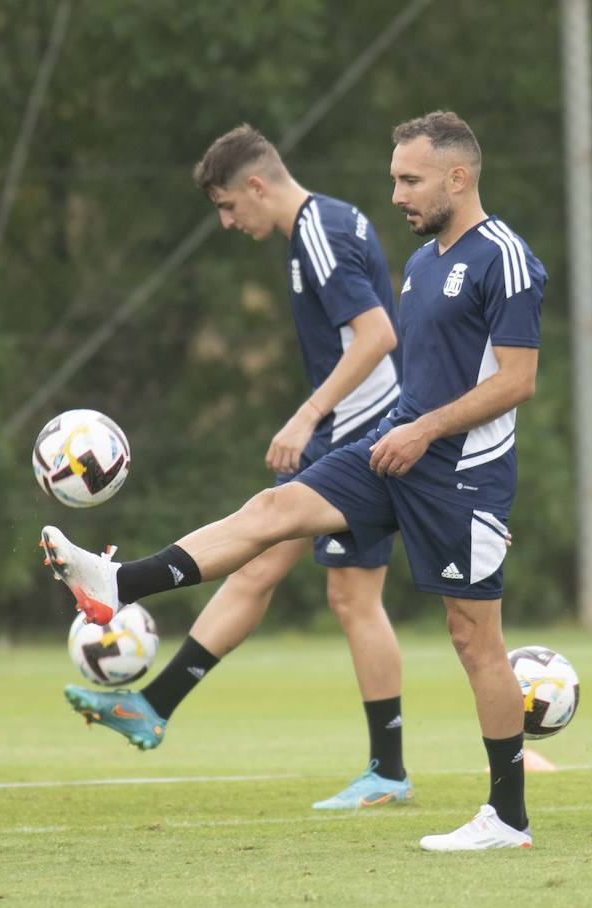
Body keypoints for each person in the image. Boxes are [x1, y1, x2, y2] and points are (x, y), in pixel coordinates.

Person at [43, 111, 546, 852]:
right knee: (273, 509)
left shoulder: (505, 254)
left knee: (475, 640)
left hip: (461, 475)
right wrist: (397, 429)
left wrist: (418, 428)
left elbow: (519, 381)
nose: (398, 194)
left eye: (410, 180)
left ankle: (506, 817)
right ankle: (117, 585)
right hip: (389, 448)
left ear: (458, 177)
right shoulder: (428, 262)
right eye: (394, 179)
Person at [61, 124, 413, 811]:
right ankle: (154, 705)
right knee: (258, 565)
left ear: (256, 185)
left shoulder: (319, 231)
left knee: (351, 598)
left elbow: (379, 335)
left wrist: (308, 415)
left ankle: (389, 771)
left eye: (227, 206)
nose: (227, 222)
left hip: (362, 438)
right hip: (347, 435)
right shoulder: (322, 225)